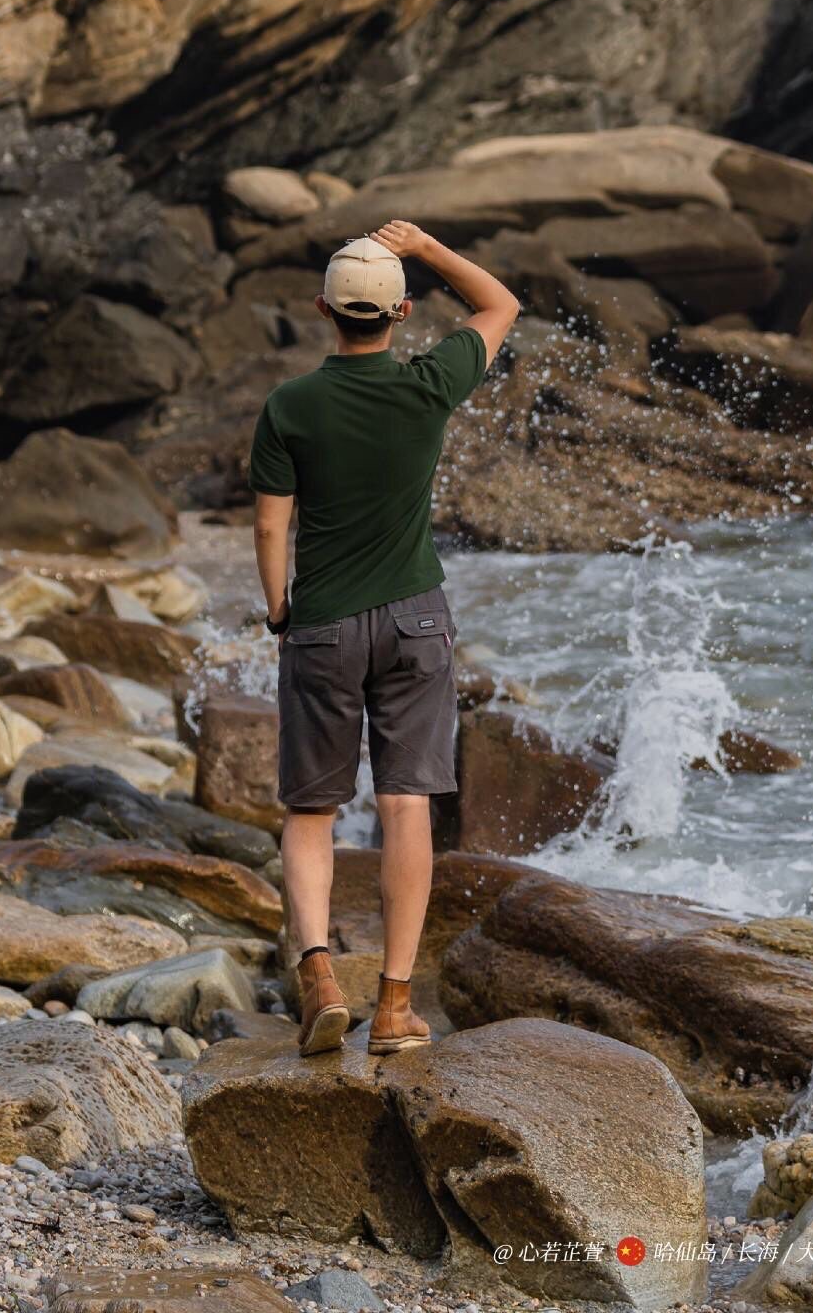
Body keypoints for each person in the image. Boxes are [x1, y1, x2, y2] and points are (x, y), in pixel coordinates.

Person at [248, 219, 519, 1056]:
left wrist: (280, 613)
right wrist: (430, 251)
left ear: (322, 310)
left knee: (311, 810)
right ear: (400, 313)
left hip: (323, 621)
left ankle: (322, 977)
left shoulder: (290, 405)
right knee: (406, 805)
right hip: (414, 618)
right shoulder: (428, 384)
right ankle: (396, 1007)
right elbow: (500, 303)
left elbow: (269, 528)